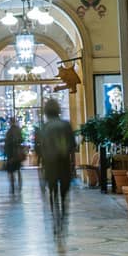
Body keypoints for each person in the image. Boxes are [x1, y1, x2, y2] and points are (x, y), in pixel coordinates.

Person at [38, 98, 76, 238]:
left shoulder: (45, 127)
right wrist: (73, 166)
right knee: (64, 195)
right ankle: (63, 218)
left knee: (53, 194)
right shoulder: (65, 125)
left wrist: (42, 169)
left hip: (50, 165)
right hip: (64, 164)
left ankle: (56, 220)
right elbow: (72, 147)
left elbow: (41, 150)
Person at [3, 117, 25, 197]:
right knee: (18, 169)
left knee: (11, 171)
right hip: (17, 153)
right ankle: (20, 184)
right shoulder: (18, 130)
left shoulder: (9, 132)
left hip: (11, 153)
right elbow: (21, 140)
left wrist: (5, 154)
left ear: (10, 122)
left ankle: (12, 187)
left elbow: (7, 143)